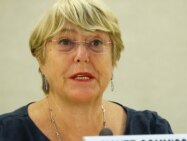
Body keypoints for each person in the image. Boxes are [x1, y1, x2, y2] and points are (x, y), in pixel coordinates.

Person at [0, 0, 173, 140]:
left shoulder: (152, 130)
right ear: (41, 59)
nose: (82, 56)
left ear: (114, 59)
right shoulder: (6, 133)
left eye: (96, 42)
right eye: (65, 42)